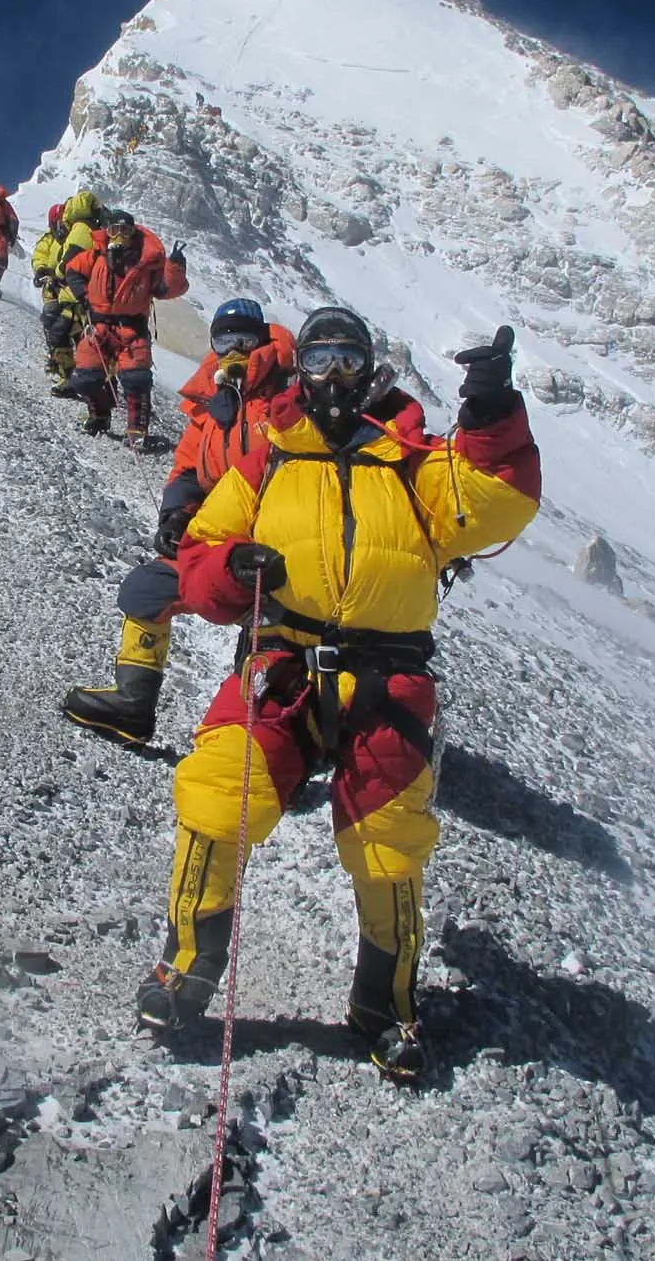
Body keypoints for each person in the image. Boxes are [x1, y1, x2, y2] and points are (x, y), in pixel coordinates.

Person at [133, 309, 540, 1082]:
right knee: (217, 795)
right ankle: (184, 968)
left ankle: (385, 1007)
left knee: (390, 844)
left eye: (349, 358)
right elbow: (202, 554)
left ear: (370, 367)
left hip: (388, 677)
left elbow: (495, 503)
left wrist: (491, 412)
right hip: (282, 663)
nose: (335, 376)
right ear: (302, 368)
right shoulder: (271, 456)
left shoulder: (412, 457)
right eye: (320, 359)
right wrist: (233, 569)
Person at [61, 299, 298, 743]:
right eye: (225, 340)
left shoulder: (291, 397)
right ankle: (132, 705)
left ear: (264, 340)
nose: (235, 350)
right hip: (220, 544)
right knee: (147, 588)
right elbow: (189, 467)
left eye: (246, 339)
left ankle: (264, 737)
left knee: (267, 638)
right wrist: (175, 516)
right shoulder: (210, 402)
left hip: (280, 550)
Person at [62, 211, 188, 444]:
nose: (119, 235)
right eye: (114, 231)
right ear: (107, 233)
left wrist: (176, 269)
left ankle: (137, 431)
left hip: (132, 329)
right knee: (85, 377)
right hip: (99, 326)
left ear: (134, 233)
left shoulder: (147, 262)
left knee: (136, 378)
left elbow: (168, 290)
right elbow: (72, 270)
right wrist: (84, 296)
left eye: (125, 231)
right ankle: (99, 415)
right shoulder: (96, 255)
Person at [29, 203, 86, 385]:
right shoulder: (48, 240)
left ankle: (83, 372)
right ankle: (63, 368)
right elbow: (39, 257)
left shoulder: (76, 238)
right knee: (54, 326)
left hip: (73, 293)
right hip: (54, 293)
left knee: (79, 332)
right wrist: (42, 270)